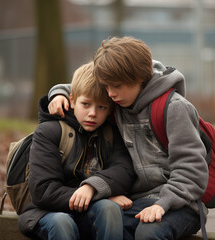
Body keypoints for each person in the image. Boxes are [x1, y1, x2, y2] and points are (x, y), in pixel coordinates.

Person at [48, 36, 209, 240]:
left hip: (179, 202)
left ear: (139, 78)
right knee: (95, 226)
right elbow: (82, 90)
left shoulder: (175, 108)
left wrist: (162, 205)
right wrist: (59, 93)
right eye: (106, 86)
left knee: (147, 234)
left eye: (116, 86)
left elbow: (192, 170)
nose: (110, 94)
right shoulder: (119, 97)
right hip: (135, 202)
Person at [18, 62, 136, 240]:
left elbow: (124, 170)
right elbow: (43, 191)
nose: (92, 113)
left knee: (110, 209)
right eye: (86, 104)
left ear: (110, 108)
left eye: (101, 107)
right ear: (72, 100)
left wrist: (92, 188)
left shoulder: (112, 134)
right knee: (62, 222)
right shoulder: (49, 131)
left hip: (87, 213)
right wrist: (94, 194)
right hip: (48, 212)